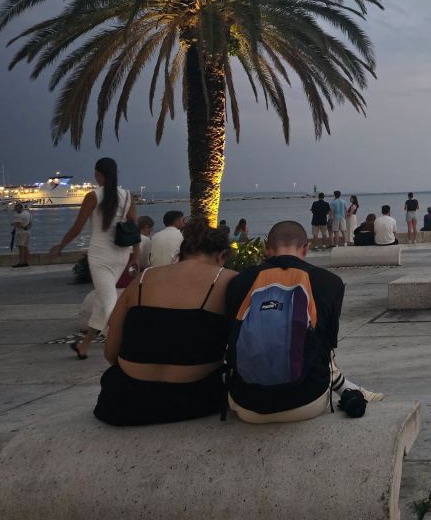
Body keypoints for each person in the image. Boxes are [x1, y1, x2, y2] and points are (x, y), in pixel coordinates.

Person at [225, 220, 382, 424]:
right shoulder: (330, 282)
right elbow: (328, 344)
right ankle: (348, 388)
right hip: (307, 401)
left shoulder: (239, 282)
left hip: (247, 405)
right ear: (306, 248)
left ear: (267, 249)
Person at [94, 220, 237, 426]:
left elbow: (110, 352)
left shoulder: (142, 279)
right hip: (195, 399)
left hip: (123, 402)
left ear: (182, 253)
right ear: (221, 256)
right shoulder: (228, 279)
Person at [50, 157, 139, 360]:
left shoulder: (93, 196)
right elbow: (134, 228)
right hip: (121, 255)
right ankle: (84, 345)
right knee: (103, 299)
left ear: (97, 174)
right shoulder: (127, 196)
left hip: (100, 256)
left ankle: (128, 346)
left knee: (108, 301)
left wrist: (61, 246)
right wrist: (135, 255)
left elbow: (77, 227)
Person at [11, 203, 32, 268]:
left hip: (21, 233)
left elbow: (18, 224)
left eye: (16, 209)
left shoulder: (20, 215)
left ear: (19, 208)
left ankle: (21, 262)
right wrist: (27, 228)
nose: (16, 211)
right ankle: (26, 262)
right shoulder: (28, 213)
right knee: (26, 247)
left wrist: (14, 224)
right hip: (28, 232)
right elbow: (30, 223)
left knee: (21, 248)